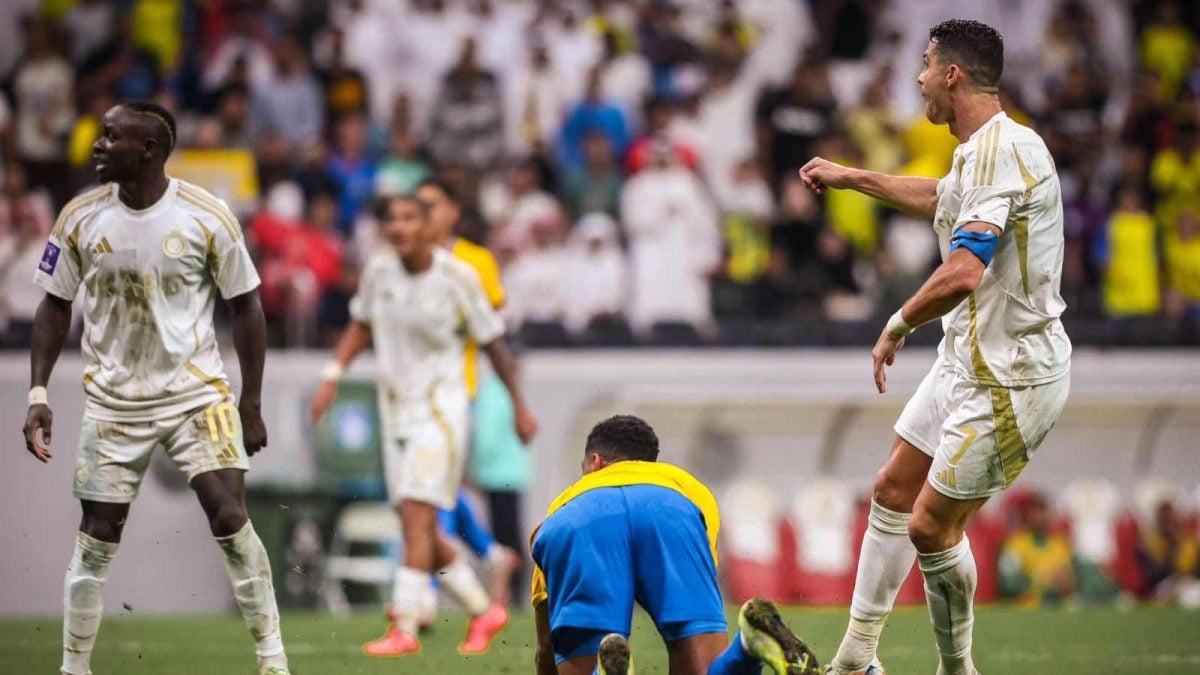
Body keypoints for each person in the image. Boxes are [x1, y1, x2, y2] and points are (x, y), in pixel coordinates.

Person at [800, 20, 1072, 675]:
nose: (918, 79)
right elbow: (937, 197)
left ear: (952, 74)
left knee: (930, 527)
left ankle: (957, 671)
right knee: (892, 489)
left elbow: (965, 269)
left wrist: (897, 322)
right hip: (965, 360)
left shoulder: (1003, 151)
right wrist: (848, 176)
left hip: (1011, 378)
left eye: (925, 66)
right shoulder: (978, 151)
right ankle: (856, 657)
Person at [23, 101, 289, 675]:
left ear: (148, 149)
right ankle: (74, 668)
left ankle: (273, 661)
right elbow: (54, 306)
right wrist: (37, 394)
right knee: (96, 536)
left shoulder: (206, 214)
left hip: (197, 396)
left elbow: (247, 306)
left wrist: (251, 401)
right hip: (114, 403)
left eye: (111, 136)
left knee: (228, 515)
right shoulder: (78, 217)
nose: (97, 144)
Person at [309, 193, 537, 657]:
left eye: (410, 217)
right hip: (396, 408)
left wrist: (519, 405)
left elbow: (493, 343)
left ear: (428, 225)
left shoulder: (457, 276)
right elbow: (360, 324)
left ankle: (406, 622)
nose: (400, 226)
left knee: (416, 511)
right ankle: (483, 608)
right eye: (391, 218)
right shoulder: (378, 272)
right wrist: (332, 375)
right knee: (420, 525)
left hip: (443, 407)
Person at [531, 414, 821, 675]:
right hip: (669, 512)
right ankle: (750, 645)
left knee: (587, 660)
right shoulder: (686, 488)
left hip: (582, 521)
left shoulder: (561, 509)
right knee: (705, 666)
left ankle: (603, 672)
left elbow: (547, 640)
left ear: (595, 463)